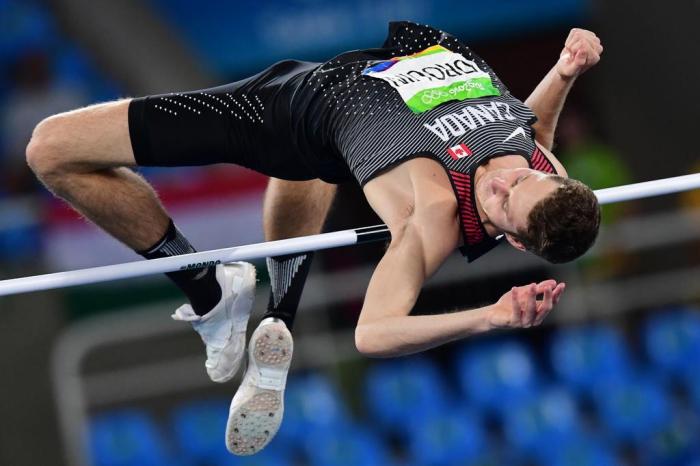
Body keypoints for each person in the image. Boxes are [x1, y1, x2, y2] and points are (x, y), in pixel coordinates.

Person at [25, 22, 602, 455]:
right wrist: (564, 71)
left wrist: (490, 318)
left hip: (289, 110)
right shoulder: (538, 170)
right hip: (377, 68)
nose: (501, 178)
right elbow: (536, 130)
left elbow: (374, 334)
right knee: (315, 169)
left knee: (51, 150)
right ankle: (271, 310)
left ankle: (203, 287)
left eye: (503, 200)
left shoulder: (431, 217)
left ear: (516, 243)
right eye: (524, 176)